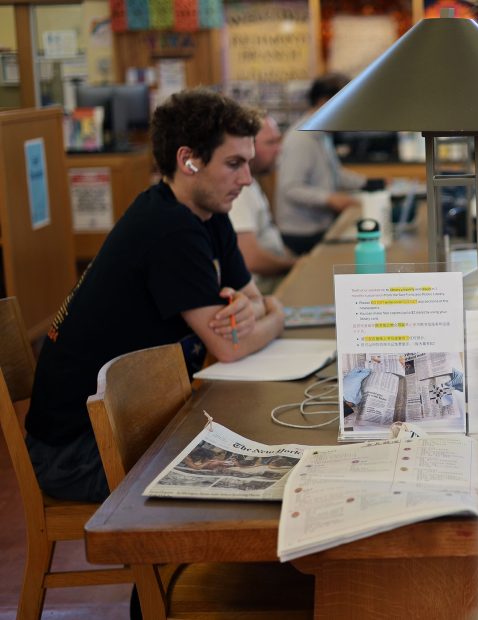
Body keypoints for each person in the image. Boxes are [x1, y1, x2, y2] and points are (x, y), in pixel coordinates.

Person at [25, 88, 287, 503]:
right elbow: (230, 345)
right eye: (234, 163)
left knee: (261, 435)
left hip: (130, 420)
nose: (247, 179)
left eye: (249, 163)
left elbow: (249, 297)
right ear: (188, 160)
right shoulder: (168, 229)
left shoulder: (207, 213)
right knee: (258, 469)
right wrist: (277, 315)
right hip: (78, 453)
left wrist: (256, 309)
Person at [276, 73, 367, 254]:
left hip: (319, 225)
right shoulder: (300, 138)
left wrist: (370, 182)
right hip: (301, 233)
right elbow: (291, 188)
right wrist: (330, 199)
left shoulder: (321, 134)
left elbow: (333, 173)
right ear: (324, 101)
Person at [228, 114, 296, 293]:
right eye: (270, 142)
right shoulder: (238, 191)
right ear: (247, 145)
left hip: (273, 277)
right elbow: (250, 259)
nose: (278, 149)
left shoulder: (253, 182)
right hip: (261, 286)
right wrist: (293, 265)